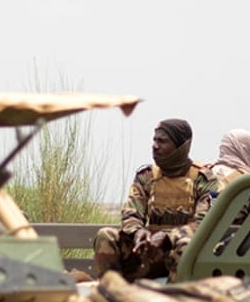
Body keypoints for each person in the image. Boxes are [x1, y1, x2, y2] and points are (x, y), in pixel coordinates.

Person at [93, 119, 219, 282]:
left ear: (181, 146)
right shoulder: (146, 176)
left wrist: (168, 237)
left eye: (162, 141)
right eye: (154, 140)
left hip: (185, 256)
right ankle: (113, 294)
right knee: (106, 235)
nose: (155, 145)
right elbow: (131, 214)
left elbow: (204, 223)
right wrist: (138, 232)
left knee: (186, 245)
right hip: (148, 254)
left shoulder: (204, 180)